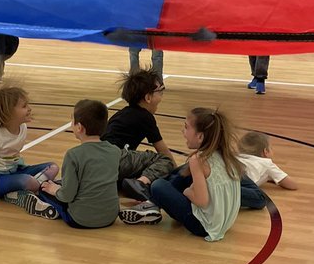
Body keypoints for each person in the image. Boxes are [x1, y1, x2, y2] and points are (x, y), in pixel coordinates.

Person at [122, 107, 240, 241]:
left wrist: (187, 191)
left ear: (200, 136)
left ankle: (152, 204)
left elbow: (202, 201)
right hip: (226, 220)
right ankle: (152, 204)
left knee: (158, 186)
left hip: (204, 226)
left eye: (186, 127)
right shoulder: (224, 153)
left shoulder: (198, 160)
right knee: (183, 171)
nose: (183, 131)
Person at [22, 98, 120, 228]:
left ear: (79, 127)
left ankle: (44, 207)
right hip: (110, 216)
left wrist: (55, 189)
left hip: (80, 219)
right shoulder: (115, 151)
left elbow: (66, 196)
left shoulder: (73, 155)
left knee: (44, 189)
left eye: (72, 120)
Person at [103, 69, 175, 201]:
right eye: (160, 91)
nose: (162, 96)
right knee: (164, 161)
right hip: (117, 158)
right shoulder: (146, 117)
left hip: (100, 159)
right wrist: (175, 170)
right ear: (148, 98)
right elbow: (163, 151)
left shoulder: (122, 113)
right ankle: (141, 182)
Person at [237, 130, 298, 208]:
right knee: (261, 198)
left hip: (227, 176)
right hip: (237, 185)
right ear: (265, 151)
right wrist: (278, 180)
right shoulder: (266, 163)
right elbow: (292, 185)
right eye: (271, 148)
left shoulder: (236, 157)